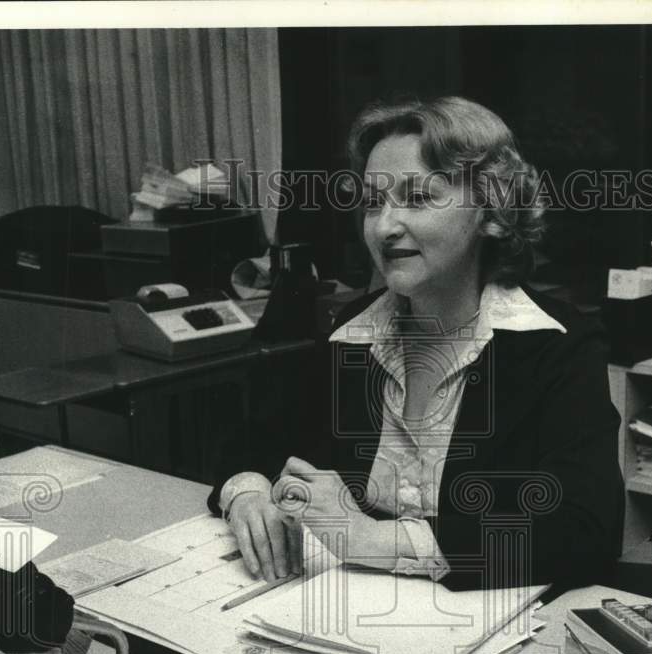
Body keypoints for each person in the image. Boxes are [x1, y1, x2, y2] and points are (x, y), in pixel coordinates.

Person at [208, 96, 623, 598]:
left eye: (418, 198)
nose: (384, 226)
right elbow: (255, 442)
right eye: (373, 202)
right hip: (355, 608)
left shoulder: (557, 346)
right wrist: (247, 494)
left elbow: (585, 529)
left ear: (491, 213)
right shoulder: (352, 332)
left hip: (497, 624)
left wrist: (372, 539)